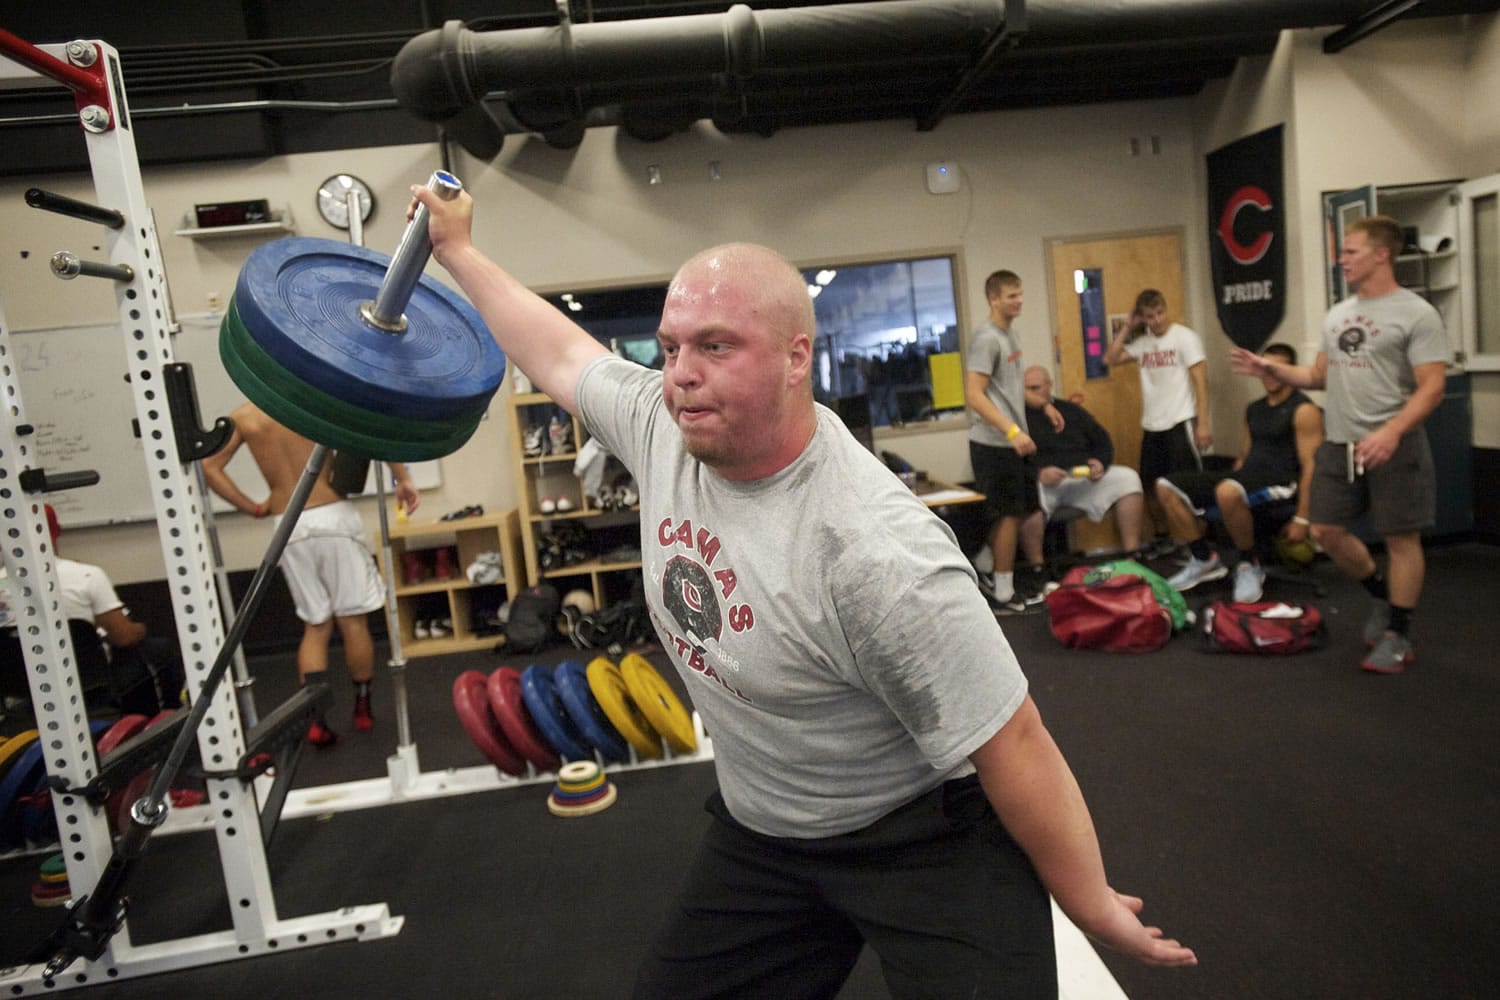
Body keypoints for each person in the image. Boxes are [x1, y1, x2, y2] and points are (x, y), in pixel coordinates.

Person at [413, 185, 1195, 997]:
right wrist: (459, 251)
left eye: (716, 346)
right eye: (671, 346)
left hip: (922, 834)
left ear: (796, 358)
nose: (682, 374)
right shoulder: (663, 427)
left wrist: (1090, 901)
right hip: (768, 835)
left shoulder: (875, 554)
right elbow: (562, 355)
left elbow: (1015, 741)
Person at [1231, 215, 1449, 674]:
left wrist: (1391, 431)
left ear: (1381, 254)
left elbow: (1432, 388)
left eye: (1350, 251)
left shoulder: (1416, 313)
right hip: (1340, 442)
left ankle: (1399, 634)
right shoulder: (1339, 313)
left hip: (1396, 443)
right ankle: (1381, 598)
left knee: (1401, 539)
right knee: (1324, 530)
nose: (1342, 259)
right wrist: (1269, 369)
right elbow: (1316, 376)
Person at [201, 403, 419, 744]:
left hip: (289, 523)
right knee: (353, 621)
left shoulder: (244, 416)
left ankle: (315, 721)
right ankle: (362, 708)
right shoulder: (311, 397)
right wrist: (403, 479)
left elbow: (208, 467)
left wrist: (253, 507)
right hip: (333, 515)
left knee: (316, 626)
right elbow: (375, 430)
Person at [1158, 343, 1324, 603]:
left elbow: (1312, 466)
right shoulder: (1254, 409)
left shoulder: (1304, 410)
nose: (1268, 375)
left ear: (1289, 370)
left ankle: (1249, 563)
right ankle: (1204, 559)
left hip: (1282, 483)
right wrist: (1221, 493)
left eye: (1275, 369)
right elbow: (1244, 458)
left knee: (1228, 491)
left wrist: (1303, 517)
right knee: (1166, 485)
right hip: (1248, 478)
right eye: (1264, 369)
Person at [0, 505, 185, 715]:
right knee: (156, 649)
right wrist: (140, 629)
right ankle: (159, 727)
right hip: (88, 685)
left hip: (17, 691)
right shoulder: (86, 576)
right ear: (56, 531)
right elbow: (124, 637)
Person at [963, 270, 1062, 612]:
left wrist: (1044, 405)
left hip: (1013, 441)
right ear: (993, 299)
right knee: (1008, 515)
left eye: (1020, 294)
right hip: (993, 443)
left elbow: (1009, 388)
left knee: (1020, 512)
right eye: (1011, 296)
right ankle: (1002, 591)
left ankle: (987, 562)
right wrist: (1011, 431)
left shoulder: (1012, 336)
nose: (1018, 301)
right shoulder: (986, 339)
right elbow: (974, 395)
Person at [1103, 288, 1213, 539]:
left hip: (1180, 419)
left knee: (1184, 486)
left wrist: (1203, 423)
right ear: (1143, 318)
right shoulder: (1143, 343)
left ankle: (1197, 541)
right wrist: (1128, 327)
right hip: (1152, 424)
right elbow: (1110, 358)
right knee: (1150, 486)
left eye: (1160, 313)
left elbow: (1200, 381)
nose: (1157, 320)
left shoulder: (1184, 337)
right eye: (1150, 316)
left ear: (1166, 309)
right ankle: (1164, 537)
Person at [1017, 366, 1145, 569]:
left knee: (1128, 478)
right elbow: (1011, 461)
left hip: (1080, 477)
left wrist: (1100, 463)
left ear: (1049, 386)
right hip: (1043, 483)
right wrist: (1038, 474)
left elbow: (1103, 441)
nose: (1031, 394)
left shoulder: (1070, 410)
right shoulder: (1016, 418)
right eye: (1026, 390)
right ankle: (1037, 568)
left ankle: (1132, 554)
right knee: (1025, 493)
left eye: (1035, 388)